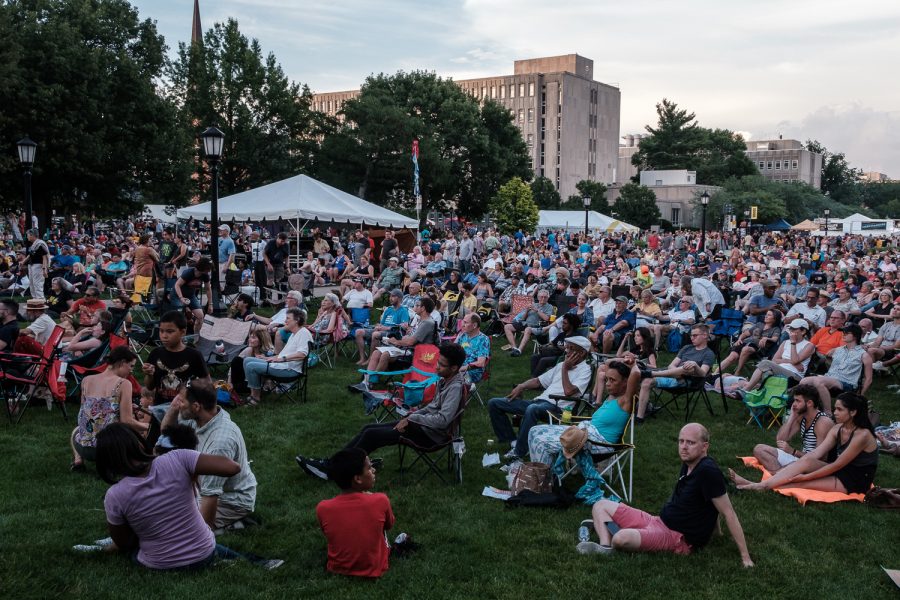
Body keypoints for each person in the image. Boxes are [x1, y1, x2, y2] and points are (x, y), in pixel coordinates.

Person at [96, 423, 282, 570]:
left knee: (135, 547)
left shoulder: (115, 495)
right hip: (203, 554)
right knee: (203, 542)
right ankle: (255, 562)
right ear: (138, 442)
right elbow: (232, 467)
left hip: (159, 564)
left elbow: (124, 543)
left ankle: (99, 548)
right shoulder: (178, 458)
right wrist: (193, 474)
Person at [582, 423, 753, 567]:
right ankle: (605, 545)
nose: (684, 447)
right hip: (658, 520)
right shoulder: (689, 462)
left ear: (705, 446)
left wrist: (746, 558)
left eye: (691, 443)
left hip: (675, 536)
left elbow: (727, 512)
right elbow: (710, 503)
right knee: (600, 505)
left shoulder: (708, 472)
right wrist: (718, 533)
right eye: (681, 441)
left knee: (621, 538)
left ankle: (611, 530)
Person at [298, 343, 467, 479]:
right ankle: (331, 463)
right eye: (438, 362)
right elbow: (433, 406)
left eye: (442, 365)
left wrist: (413, 419)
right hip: (422, 426)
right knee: (368, 429)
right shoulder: (445, 380)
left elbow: (443, 420)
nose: (436, 367)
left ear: (454, 368)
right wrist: (412, 416)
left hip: (432, 435)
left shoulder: (455, 387)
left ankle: (331, 470)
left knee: (372, 436)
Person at [730, 392, 878, 495]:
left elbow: (837, 465)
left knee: (800, 484)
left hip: (855, 479)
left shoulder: (862, 435)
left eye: (839, 409)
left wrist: (806, 476)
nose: (835, 413)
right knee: (807, 460)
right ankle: (757, 485)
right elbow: (816, 453)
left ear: (853, 412)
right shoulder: (838, 428)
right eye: (835, 409)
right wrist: (801, 465)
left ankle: (757, 486)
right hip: (840, 470)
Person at [161, 379, 258, 533]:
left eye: (182, 402)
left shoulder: (220, 443)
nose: (179, 405)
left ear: (196, 406)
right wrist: (174, 407)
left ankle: (228, 525)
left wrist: (200, 534)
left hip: (230, 499)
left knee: (175, 528)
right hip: (202, 488)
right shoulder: (198, 418)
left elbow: (211, 494)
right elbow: (167, 433)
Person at [488, 336, 593, 462]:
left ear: (581, 353)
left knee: (533, 409)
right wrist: (522, 386)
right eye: (567, 348)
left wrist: (565, 369)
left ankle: (519, 453)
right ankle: (513, 441)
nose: (567, 351)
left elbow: (569, 391)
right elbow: (539, 381)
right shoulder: (561, 365)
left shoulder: (585, 370)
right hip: (539, 402)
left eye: (571, 349)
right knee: (494, 403)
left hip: (559, 409)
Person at [528, 359, 640, 466]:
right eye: (607, 379)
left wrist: (633, 363)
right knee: (534, 430)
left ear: (625, 382)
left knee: (540, 441)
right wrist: (621, 361)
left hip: (597, 444)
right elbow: (607, 363)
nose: (607, 384)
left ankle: (543, 480)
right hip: (584, 434)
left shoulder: (625, 401)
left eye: (613, 380)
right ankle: (547, 473)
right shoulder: (612, 397)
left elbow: (636, 374)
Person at [316, 448, 395, 578]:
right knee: (381, 528)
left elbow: (327, 533)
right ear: (358, 478)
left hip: (337, 569)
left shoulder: (323, 507)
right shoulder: (380, 500)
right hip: (375, 568)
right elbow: (389, 525)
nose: (374, 470)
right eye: (369, 468)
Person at [70, 347, 148, 471]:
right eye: (131, 366)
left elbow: (84, 415)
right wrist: (149, 426)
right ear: (122, 363)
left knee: (76, 430)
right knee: (139, 433)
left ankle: (78, 459)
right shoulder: (123, 383)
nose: (131, 371)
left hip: (83, 447)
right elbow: (126, 421)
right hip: (108, 450)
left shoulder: (86, 380)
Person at [351, 298, 437, 391]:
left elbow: (411, 342)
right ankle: (366, 381)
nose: (414, 307)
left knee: (385, 354)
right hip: (407, 348)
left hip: (416, 354)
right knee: (376, 352)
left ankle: (370, 381)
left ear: (423, 308)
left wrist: (395, 341)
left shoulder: (427, 323)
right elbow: (409, 337)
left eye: (417, 305)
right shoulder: (421, 320)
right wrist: (403, 338)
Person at [637, 324, 715, 421]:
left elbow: (703, 373)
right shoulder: (687, 348)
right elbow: (671, 365)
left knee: (688, 368)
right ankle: (640, 416)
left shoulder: (708, 354)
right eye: (691, 335)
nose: (692, 338)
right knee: (641, 379)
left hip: (687, 381)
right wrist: (675, 373)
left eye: (695, 335)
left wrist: (695, 365)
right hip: (671, 375)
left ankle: (652, 374)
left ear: (705, 336)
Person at [142, 310, 210, 421]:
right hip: (160, 409)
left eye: (170, 331)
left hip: (184, 412)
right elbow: (150, 386)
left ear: (183, 332)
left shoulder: (193, 355)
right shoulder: (156, 354)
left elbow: (207, 383)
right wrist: (149, 375)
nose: (164, 336)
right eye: (161, 331)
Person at [751, 384, 833, 474]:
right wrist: (792, 417)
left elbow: (821, 458)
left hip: (814, 465)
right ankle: (780, 473)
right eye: (794, 400)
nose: (794, 404)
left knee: (797, 465)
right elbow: (781, 439)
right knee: (759, 449)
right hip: (801, 459)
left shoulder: (822, 423)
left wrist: (793, 452)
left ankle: (778, 473)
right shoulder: (801, 416)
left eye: (798, 401)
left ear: (809, 403)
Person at [242, 307, 311, 405]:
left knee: (251, 366)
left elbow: (302, 354)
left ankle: (255, 398)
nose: (285, 321)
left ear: (297, 320)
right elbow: (285, 354)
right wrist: (269, 358)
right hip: (283, 365)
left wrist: (281, 359)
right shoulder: (294, 334)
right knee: (247, 360)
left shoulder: (303, 333)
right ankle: (254, 393)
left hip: (290, 370)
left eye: (288, 318)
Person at [797, 323, 873, 413]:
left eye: (847, 333)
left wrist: (861, 395)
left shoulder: (863, 354)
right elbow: (829, 361)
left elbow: (869, 379)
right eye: (843, 332)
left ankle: (827, 412)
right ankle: (808, 409)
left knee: (818, 381)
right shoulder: (838, 350)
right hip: (830, 377)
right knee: (804, 381)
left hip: (847, 382)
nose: (843, 334)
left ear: (855, 336)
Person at [738, 319, 816, 392]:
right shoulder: (785, 342)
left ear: (803, 331)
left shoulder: (809, 345)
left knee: (765, 363)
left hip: (795, 375)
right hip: (779, 369)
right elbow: (775, 360)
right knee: (766, 371)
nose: (790, 331)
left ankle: (745, 390)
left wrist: (793, 343)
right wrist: (791, 362)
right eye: (790, 328)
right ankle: (746, 388)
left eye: (793, 329)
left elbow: (795, 360)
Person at [354, 288, 410, 366]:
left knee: (375, 334)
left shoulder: (403, 310)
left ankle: (371, 359)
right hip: (382, 330)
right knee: (358, 332)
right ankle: (362, 357)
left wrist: (386, 328)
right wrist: (378, 326)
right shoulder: (388, 309)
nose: (390, 298)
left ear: (399, 298)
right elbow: (382, 323)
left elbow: (404, 326)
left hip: (392, 332)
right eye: (390, 296)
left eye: (393, 296)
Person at [503, 289, 556, 357]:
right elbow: (523, 318)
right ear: (538, 297)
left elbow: (546, 318)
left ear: (548, 298)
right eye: (541, 296)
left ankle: (519, 350)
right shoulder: (533, 304)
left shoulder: (549, 307)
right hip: (525, 323)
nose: (543, 298)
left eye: (545, 297)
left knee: (528, 329)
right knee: (507, 326)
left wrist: (537, 310)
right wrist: (527, 311)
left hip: (537, 326)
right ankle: (514, 347)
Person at [173, 257, 214, 333]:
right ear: (203, 267)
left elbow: (208, 289)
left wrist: (210, 304)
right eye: (208, 268)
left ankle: (196, 338)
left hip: (190, 296)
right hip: (178, 295)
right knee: (182, 318)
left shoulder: (205, 275)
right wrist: (181, 298)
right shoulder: (189, 273)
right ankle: (181, 339)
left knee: (200, 316)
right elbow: (177, 285)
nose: (209, 270)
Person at [455, 313, 490, 385]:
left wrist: (460, 369)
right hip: (458, 367)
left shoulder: (483, 339)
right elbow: (454, 351)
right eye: (463, 321)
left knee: (452, 381)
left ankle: (467, 388)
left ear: (474, 325)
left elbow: (480, 363)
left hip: (473, 372)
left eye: (465, 322)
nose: (462, 325)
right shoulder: (463, 335)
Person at [21, 228, 49, 300]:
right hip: (31, 265)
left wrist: (44, 269)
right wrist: (23, 261)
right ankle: (35, 300)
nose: (27, 237)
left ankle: (41, 302)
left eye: (28, 235)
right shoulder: (34, 244)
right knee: (32, 284)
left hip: (38, 266)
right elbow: (30, 255)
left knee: (37, 284)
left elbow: (45, 257)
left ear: (32, 235)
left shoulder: (40, 244)